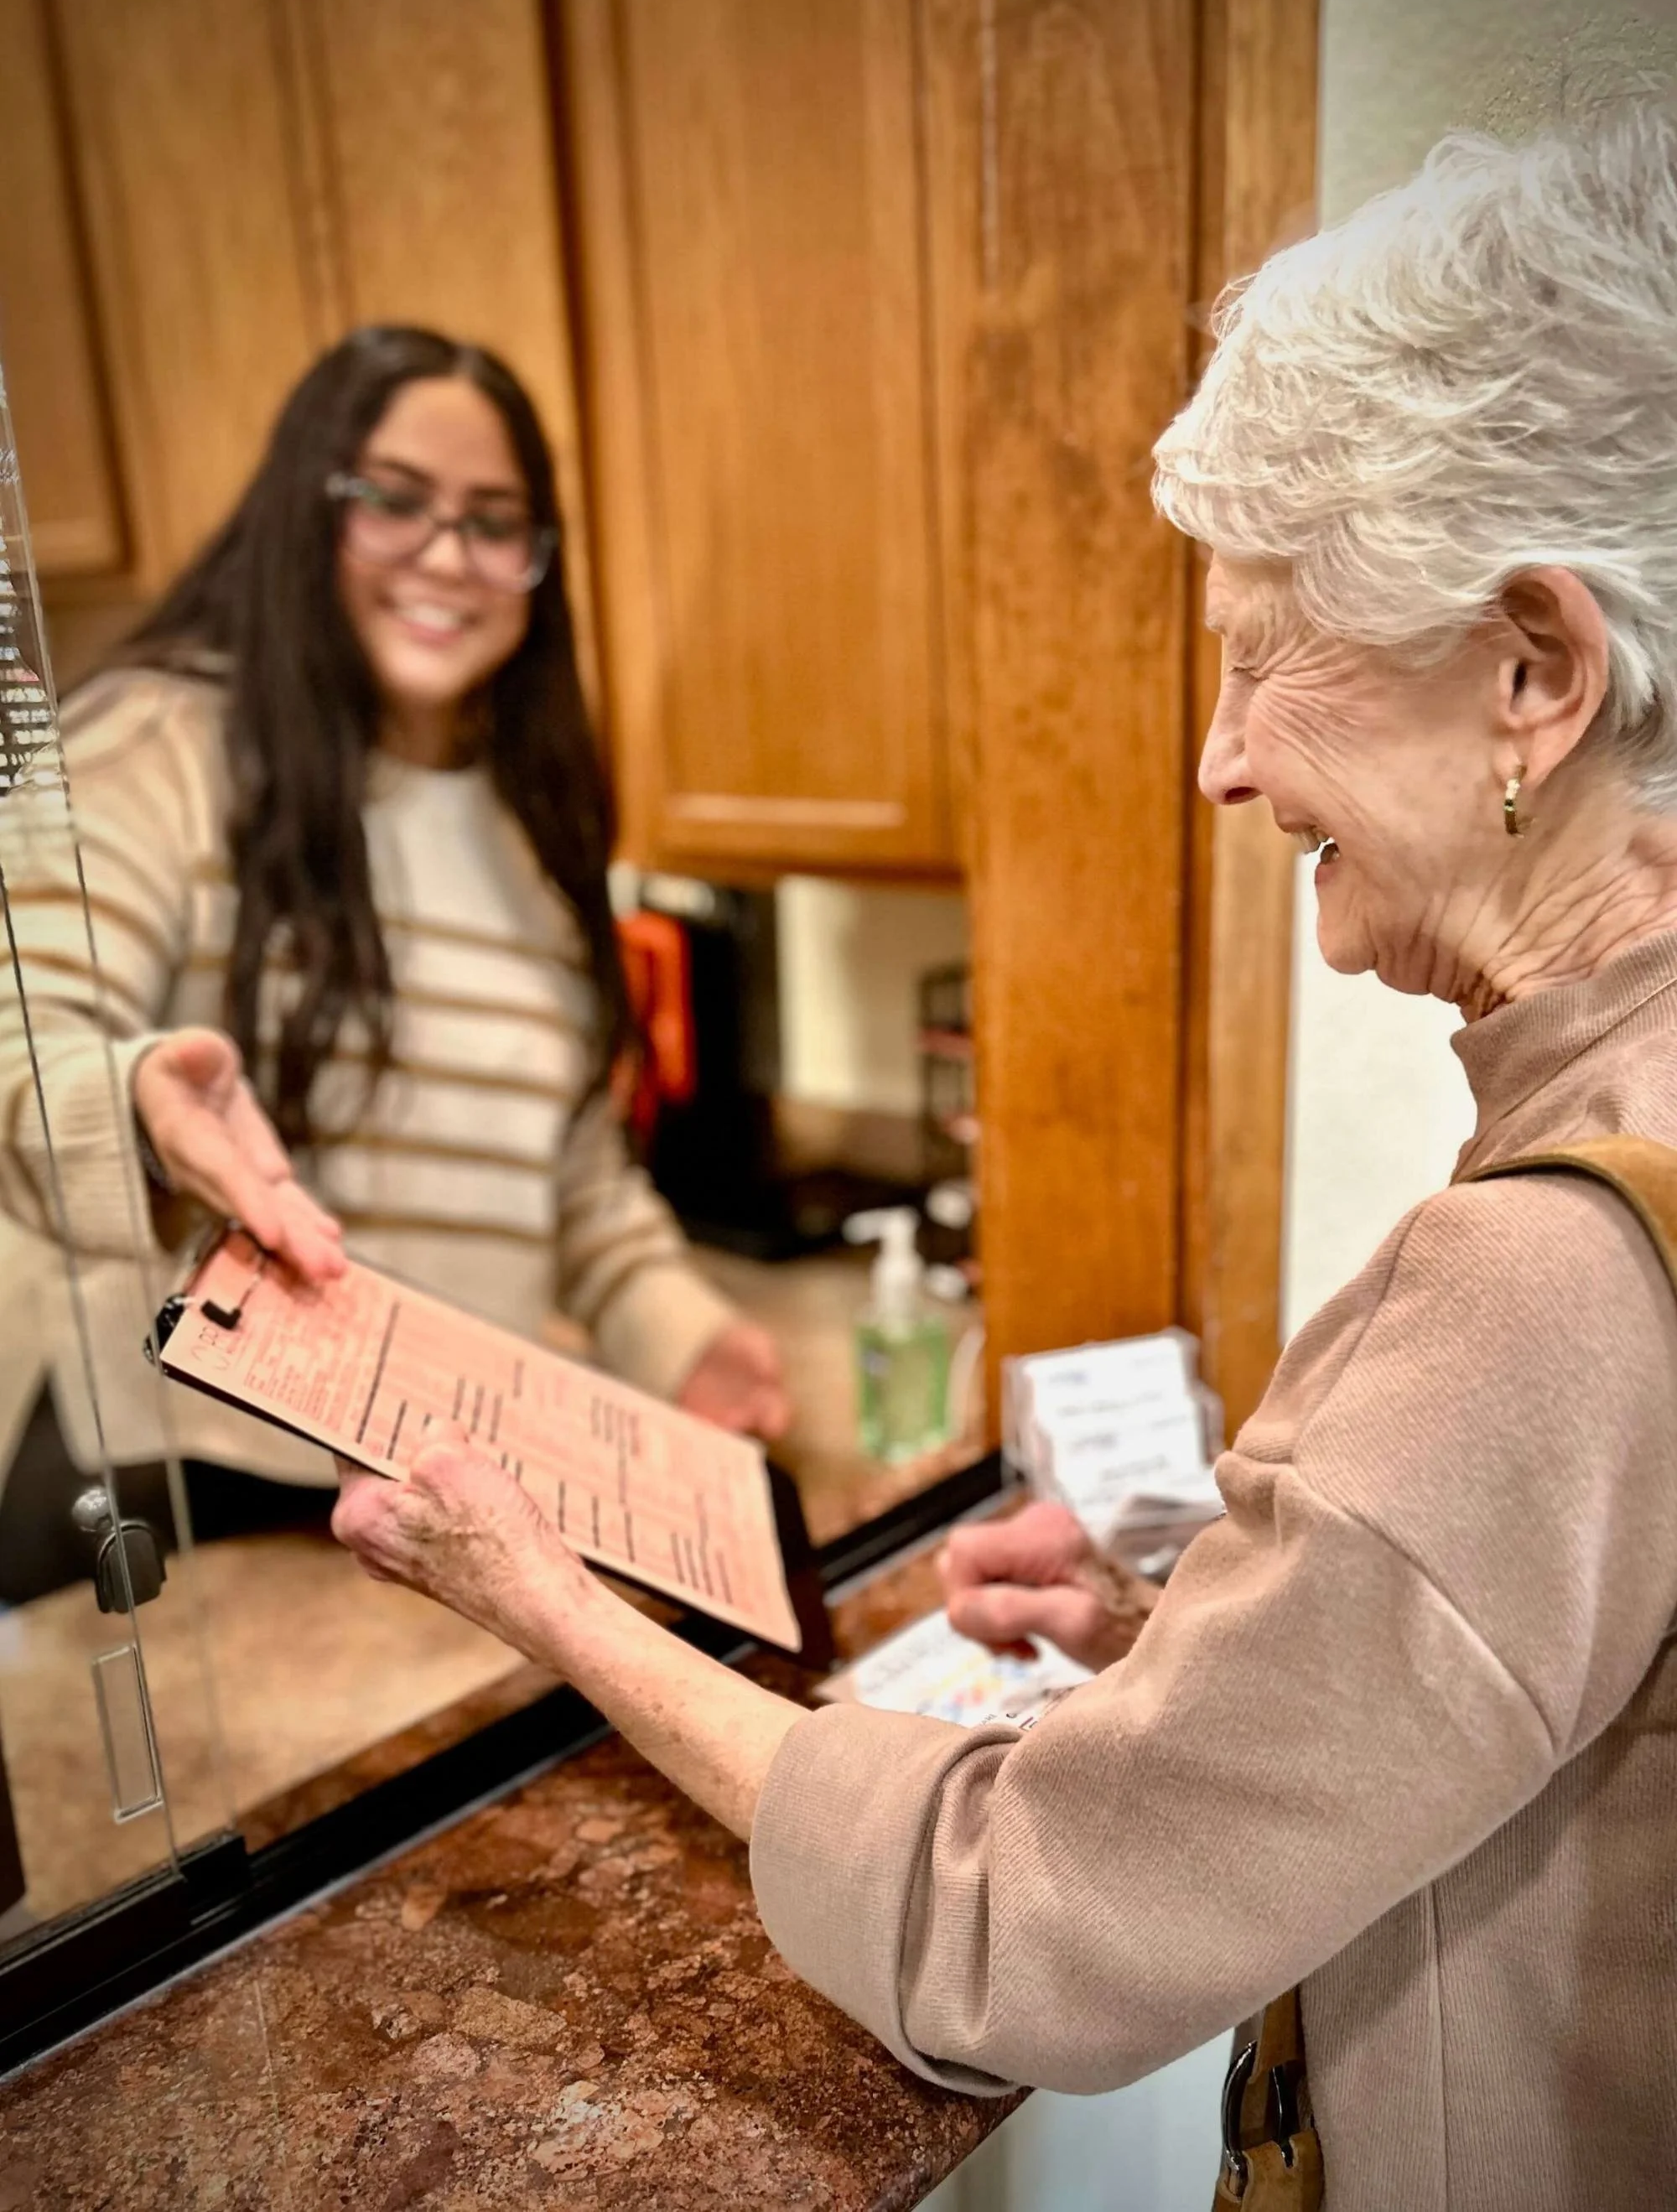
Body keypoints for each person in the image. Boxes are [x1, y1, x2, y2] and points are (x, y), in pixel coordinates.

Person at [333, 107, 1677, 2207]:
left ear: (1533, 673)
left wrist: (550, 1597)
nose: (1217, 756)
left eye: (1262, 651)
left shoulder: (1556, 1269)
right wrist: (1193, 1645)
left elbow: (1012, 1916)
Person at [0, 325, 787, 1597]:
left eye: (492, 522)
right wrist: (139, 1102)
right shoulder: (152, 745)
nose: (445, 557)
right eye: (395, 503)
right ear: (307, 510)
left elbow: (577, 1187)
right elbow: (21, 1032)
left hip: (429, 1490)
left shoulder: (536, 837)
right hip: (167, 1489)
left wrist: (683, 1335)